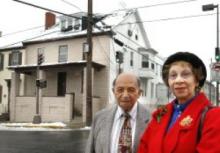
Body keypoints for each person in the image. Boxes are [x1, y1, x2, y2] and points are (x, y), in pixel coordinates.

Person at [137, 51, 220, 153]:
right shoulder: (160, 114)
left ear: (197, 80)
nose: (178, 80)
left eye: (185, 74)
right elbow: (144, 146)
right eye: (173, 75)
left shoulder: (213, 116)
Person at [85, 72, 150, 153]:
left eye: (131, 90)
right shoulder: (99, 118)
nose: (125, 95)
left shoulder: (153, 120)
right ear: (113, 92)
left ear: (139, 93)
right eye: (120, 90)